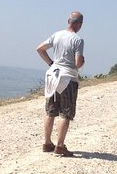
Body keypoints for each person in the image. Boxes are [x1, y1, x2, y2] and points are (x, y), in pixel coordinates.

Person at [36, 11, 85, 157]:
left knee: (50, 111)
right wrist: (83, 60)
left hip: (53, 74)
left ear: (68, 21)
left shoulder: (56, 35)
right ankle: (60, 145)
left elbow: (40, 49)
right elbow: (78, 63)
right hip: (67, 77)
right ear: (79, 23)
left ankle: (46, 142)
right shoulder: (77, 40)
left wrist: (51, 63)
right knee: (66, 113)